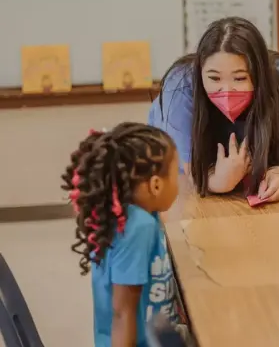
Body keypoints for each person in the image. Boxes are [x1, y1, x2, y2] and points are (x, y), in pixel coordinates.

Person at [148, 17, 279, 202]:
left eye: (240, 78)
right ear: (200, 72)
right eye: (214, 78)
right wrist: (218, 182)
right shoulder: (179, 87)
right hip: (183, 185)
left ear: (260, 74)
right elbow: (190, 172)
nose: (226, 92)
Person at [61, 123, 188, 347]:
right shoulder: (137, 228)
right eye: (175, 174)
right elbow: (122, 312)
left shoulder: (140, 215)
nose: (178, 183)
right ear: (156, 185)